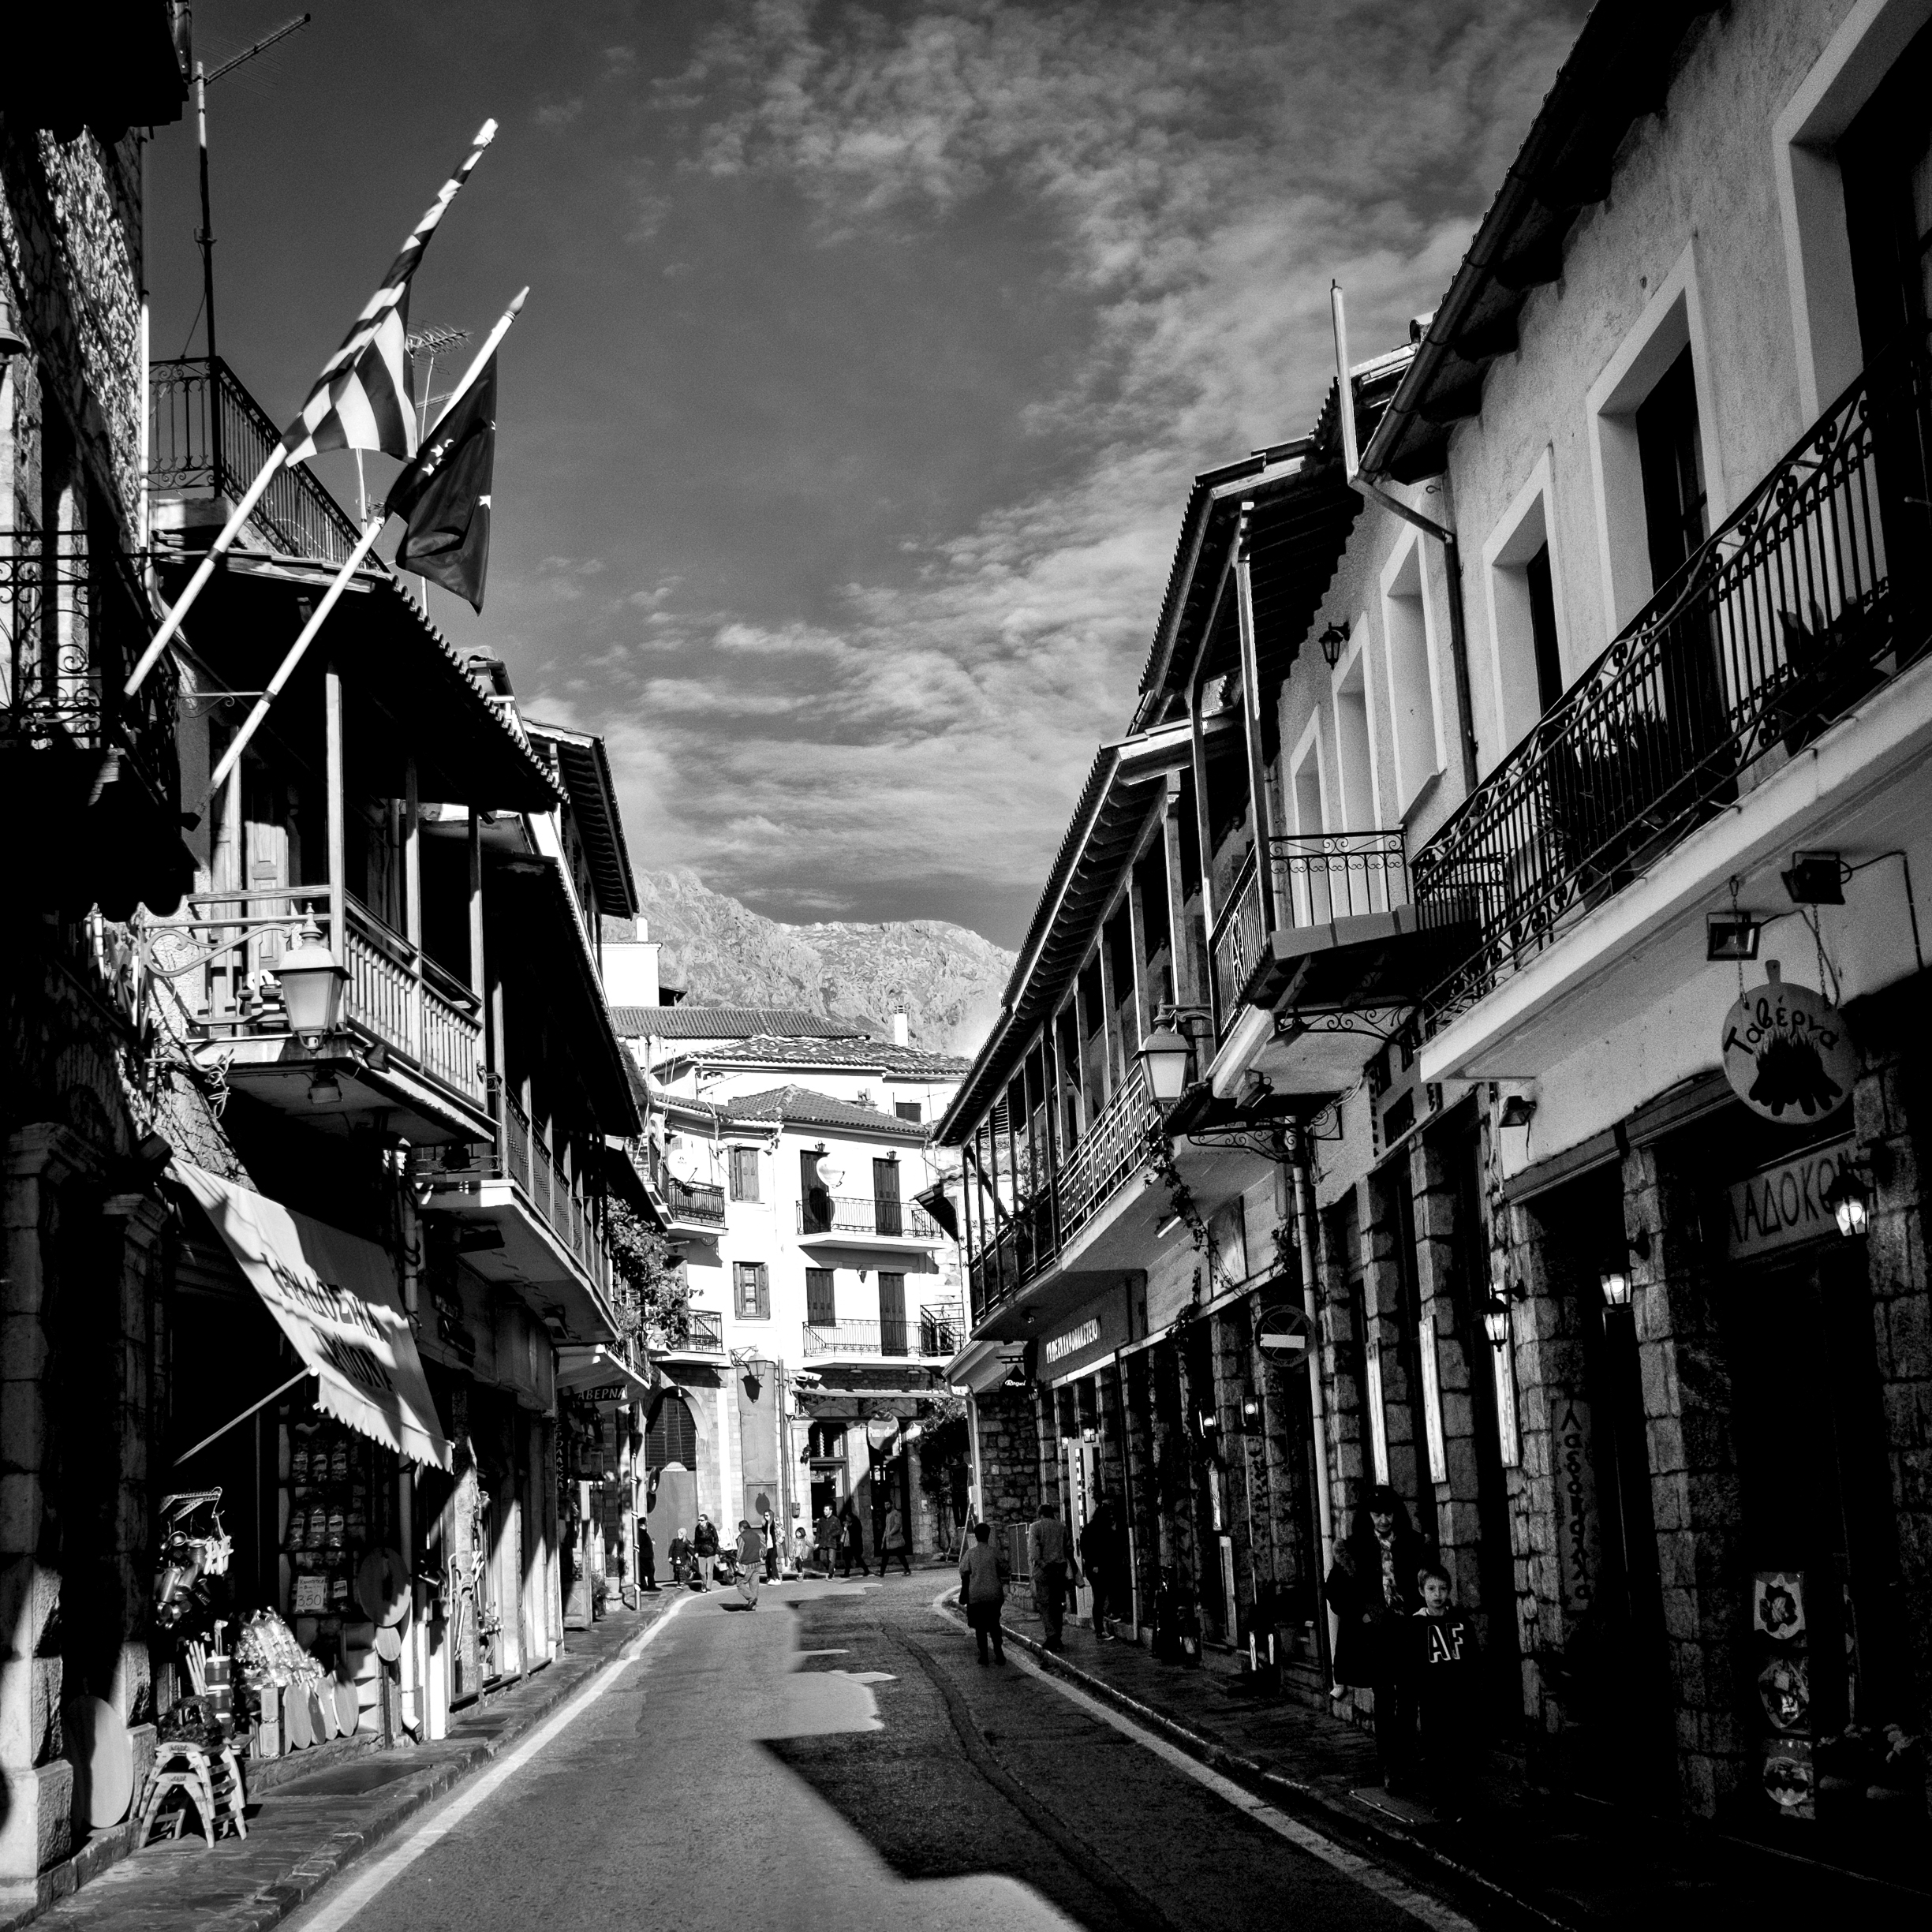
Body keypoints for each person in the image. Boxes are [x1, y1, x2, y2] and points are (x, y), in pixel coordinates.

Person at [1324, 1485, 1428, 1793]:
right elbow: (1335, 1592)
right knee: (1384, 1696)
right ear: (1367, 1515)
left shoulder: (1413, 1544)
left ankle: (1403, 1760)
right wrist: (1362, 1615)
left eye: (1389, 1513)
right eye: (1377, 1514)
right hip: (1375, 1635)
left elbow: (1428, 1579)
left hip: (1408, 1629)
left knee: (1409, 1696)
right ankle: (1389, 1766)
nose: (1383, 1519)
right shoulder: (1353, 1548)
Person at [1412, 1564, 1479, 1810]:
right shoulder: (1416, 1626)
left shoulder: (1460, 1622)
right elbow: (1412, 1663)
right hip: (1432, 1698)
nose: (1437, 1595)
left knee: (1461, 1748)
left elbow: (1472, 1657)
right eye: (1431, 1589)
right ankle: (1439, 1799)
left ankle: (1464, 1797)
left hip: (1459, 1695)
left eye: (1442, 1589)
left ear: (1449, 1591)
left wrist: (1472, 1687)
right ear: (1422, 1592)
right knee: (1434, 1749)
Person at [1028, 1499, 1077, 1652]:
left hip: (1044, 1571)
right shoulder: (1061, 1527)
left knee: (1045, 1605)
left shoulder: (1035, 1527)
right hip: (1059, 1570)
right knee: (1057, 1604)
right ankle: (1059, 1636)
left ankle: (1051, 1636)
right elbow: (1069, 1548)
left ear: (1040, 1514)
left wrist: (1041, 1563)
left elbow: (1034, 1550)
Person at [959, 1520, 1006, 1665]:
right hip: (994, 1594)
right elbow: (1005, 1569)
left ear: (976, 1536)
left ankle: (984, 1655)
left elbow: (963, 1572)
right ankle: (999, 1653)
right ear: (988, 1535)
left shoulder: (970, 1554)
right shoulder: (995, 1552)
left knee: (980, 1627)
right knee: (994, 1624)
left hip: (976, 1595)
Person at [1078, 1496, 1123, 1639]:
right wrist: (1095, 1564)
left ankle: (1108, 1616)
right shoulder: (1100, 1530)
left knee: (1101, 1596)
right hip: (1098, 1568)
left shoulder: (1090, 1528)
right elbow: (1101, 1548)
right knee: (1100, 1598)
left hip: (1096, 1568)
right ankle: (1100, 1629)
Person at [735, 1519, 764, 1609]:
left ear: (742, 1527)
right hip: (757, 1563)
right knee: (754, 1584)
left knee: (740, 1583)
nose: (739, 1530)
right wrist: (761, 1555)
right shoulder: (757, 1536)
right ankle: (753, 1605)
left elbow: (740, 1551)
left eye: (739, 1528)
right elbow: (764, 1547)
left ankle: (752, 1598)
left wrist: (737, 1561)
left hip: (747, 1564)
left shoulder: (742, 1537)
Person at [838, 1500, 869, 1578]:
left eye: (848, 1518)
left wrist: (848, 1527)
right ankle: (846, 1573)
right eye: (846, 1518)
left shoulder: (856, 1523)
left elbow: (855, 1533)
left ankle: (866, 1570)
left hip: (855, 1544)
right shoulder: (849, 1524)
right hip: (848, 1543)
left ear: (851, 1518)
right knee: (847, 1559)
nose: (847, 1519)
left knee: (858, 1558)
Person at [881, 1502, 911, 1576]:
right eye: (885, 1505)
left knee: (900, 1556)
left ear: (891, 1505)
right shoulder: (888, 1515)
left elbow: (897, 1525)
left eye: (888, 1505)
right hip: (889, 1540)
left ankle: (907, 1569)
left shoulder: (896, 1513)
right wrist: (884, 1537)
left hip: (895, 1540)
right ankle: (882, 1573)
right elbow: (887, 1527)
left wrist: (890, 1533)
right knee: (885, 1556)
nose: (886, 1506)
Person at [692, 1514, 719, 1590]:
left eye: (702, 1520)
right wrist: (696, 1552)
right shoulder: (697, 1529)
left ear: (706, 1521)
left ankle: (708, 1587)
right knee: (702, 1572)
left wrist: (714, 1548)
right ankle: (704, 1583)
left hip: (710, 1552)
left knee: (709, 1571)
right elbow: (697, 1541)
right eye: (699, 1520)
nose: (700, 1522)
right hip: (701, 1552)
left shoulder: (711, 1528)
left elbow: (716, 1539)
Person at [814, 1505, 838, 1575]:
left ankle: (830, 1574)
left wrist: (831, 1535)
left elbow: (839, 1530)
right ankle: (831, 1568)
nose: (825, 1511)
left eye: (826, 1510)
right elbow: (818, 1532)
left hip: (831, 1542)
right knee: (822, 1558)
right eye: (824, 1509)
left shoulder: (835, 1520)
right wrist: (817, 1542)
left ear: (831, 1511)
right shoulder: (821, 1520)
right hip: (823, 1542)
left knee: (831, 1559)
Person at [761, 1508, 780, 1583]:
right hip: (768, 1546)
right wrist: (763, 1525)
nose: (766, 1517)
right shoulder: (766, 1524)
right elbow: (765, 1532)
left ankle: (775, 1578)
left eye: (767, 1516)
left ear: (771, 1515)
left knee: (772, 1562)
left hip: (774, 1546)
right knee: (768, 1562)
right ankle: (770, 1577)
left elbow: (779, 1533)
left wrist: (777, 1542)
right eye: (765, 1516)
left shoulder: (774, 1523)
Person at [639, 1523, 658, 1594]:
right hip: (644, 1556)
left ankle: (650, 1585)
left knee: (650, 1571)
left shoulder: (643, 1533)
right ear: (641, 1525)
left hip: (647, 1556)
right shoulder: (641, 1533)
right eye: (645, 1525)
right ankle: (647, 1586)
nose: (646, 1526)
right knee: (648, 1571)